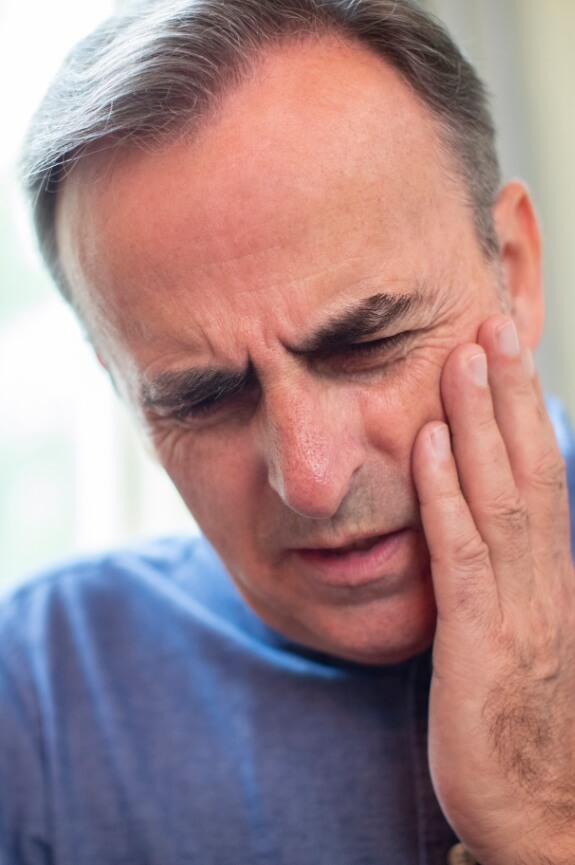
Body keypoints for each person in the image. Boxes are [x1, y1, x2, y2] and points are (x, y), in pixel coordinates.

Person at [2, 0, 575, 862]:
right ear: (121, 388)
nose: (309, 479)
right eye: (199, 396)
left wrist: (539, 817)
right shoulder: (36, 696)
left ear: (517, 276)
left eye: (366, 343)